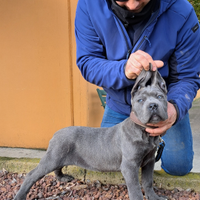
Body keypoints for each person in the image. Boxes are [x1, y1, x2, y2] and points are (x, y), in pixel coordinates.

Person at [75, 0, 200, 176]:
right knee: (108, 168)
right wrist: (123, 70)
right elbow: (88, 61)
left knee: (178, 168)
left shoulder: (182, 11)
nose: (133, 5)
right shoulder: (89, 5)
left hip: (165, 104)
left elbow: (187, 77)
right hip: (120, 104)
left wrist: (175, 109)